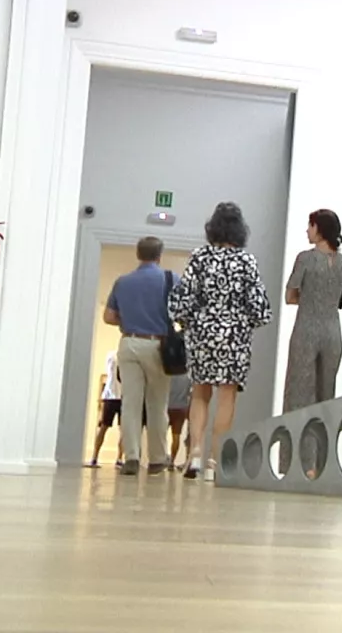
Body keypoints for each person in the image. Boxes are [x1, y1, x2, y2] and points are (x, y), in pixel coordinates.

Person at [169, 202, 272, 481]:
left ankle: (195, 452)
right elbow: (260, 308)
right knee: (227, 396)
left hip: (202, 332)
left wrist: (189, 323)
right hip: (235, 335)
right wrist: (243, 321)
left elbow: (182, 300)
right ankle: (214, 461)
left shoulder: (199, 257)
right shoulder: (246, 261)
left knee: (199, 393)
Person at [282, 209, 342, 478]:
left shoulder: (305, 258)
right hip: (333, 332)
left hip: (306, 330)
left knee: (299, 397)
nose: (307, 231)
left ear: (319, 229)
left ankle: (297, 465)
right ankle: (322, 466)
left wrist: (308, 297)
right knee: (326, 398)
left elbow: (290, 296)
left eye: (310, 226)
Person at [103, 236, 175, 476]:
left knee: (130, 403)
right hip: (158, 345)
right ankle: (157, 459)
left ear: (138, 254)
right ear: (159, 255)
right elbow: (184, 313)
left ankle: (131, 457)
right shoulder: (171, 279)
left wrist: (130, 321)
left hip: (129, 342)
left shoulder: (122, 282)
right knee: (157, 404)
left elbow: (109, 317)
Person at [87, 352, 122, 468]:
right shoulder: (115, 356)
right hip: (115, 396)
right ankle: (116, 458)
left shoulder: (112, 357)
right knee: (108, 428)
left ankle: (96, 457)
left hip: (114, 396)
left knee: (105, 428)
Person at [167, 372, 191, 470]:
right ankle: (172, 461)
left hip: (167, 406)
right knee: (176, 436)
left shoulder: (168, 375)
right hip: (181, 408)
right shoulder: (187, 377)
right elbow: (190, 394)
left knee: (161, 434)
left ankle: (160, 459)